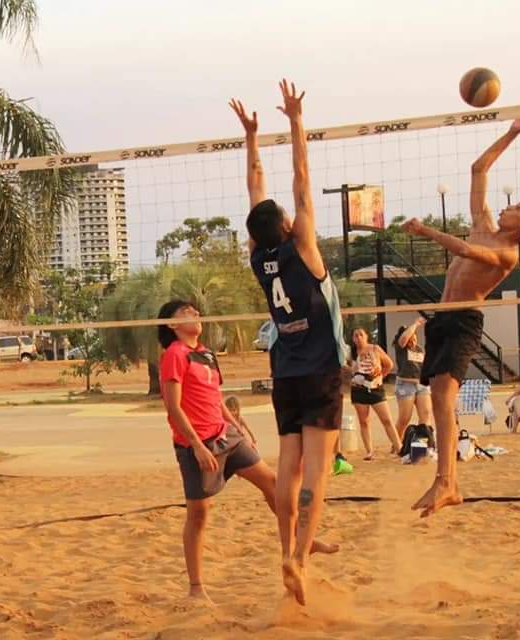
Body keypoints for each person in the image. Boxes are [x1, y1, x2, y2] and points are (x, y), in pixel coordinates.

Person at [233, 80, 348, 605]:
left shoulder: (260, 256)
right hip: (323, 368)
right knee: (317, 474)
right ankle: (298, 559)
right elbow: (302, 181)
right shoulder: (303, 249)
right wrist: (296, 122)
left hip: (287, 372)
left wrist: (252, 139)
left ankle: (288, 547)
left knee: (290, 465)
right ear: (287, 224)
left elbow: (257, 190)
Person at [401, 117, 520, 517]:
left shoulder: (507, 254)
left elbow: (466, 253)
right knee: (436, 401)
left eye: (517, 208)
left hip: (465, 320)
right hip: (442, 320)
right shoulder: (483, 224)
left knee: (445, 401)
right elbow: (478, 169)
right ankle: (445, 482)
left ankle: (446, 482)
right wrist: (513, 133)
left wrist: (425, 231)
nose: (508, 207)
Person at [157, 300, 336, 603]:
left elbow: (216, 399)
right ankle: (196, 588)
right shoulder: (175, 355)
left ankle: (299, 538)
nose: (196, 315)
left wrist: (237, 426)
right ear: (171, 325)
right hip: (197, 444)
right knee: (199, 514)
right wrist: (198, 446)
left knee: (273, 482)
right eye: (186, 312)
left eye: (197, 311)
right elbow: (173, 407)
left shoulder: (206, 354)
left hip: (226, 436)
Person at [349, 327, 399, 459]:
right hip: (359, 389)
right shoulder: (352, 353)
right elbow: (346, 369)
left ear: (366, 336)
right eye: (356, 335)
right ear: (353, 339)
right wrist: (352, 371)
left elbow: (389, 364)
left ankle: (399, 447)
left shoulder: (375, 349)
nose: (359, 337)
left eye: (361, 334)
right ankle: (369, 451)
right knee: (364, 421)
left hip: (375, 388)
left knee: (386, 419)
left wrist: (381, 375)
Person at [392, 318, 433, 442]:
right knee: (405, 418)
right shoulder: (401, 347)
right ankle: (397, 443)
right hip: (405, 384)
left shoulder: (419, 349)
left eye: (414, 336)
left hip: (421, 384)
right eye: (411, 335)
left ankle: (423, 442)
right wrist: (416, 324)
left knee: (425, 414)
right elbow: (403, 340)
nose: (413, 338)